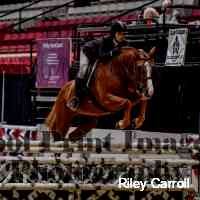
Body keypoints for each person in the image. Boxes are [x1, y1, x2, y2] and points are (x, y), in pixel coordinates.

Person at [68, 20, 128, 110]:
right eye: (120, 34)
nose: (122, 36)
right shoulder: (105, 41)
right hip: (87, 52)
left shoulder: (124, 42)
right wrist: (113, 52)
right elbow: (102, 57)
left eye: (123, 34)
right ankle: (76, 98)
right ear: (114, 34)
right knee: (83, 71)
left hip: (99, 55)